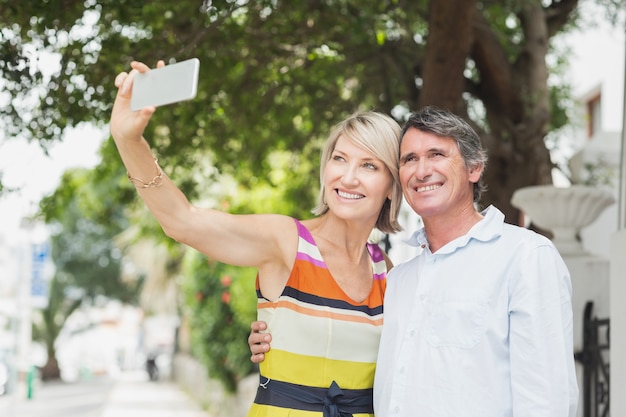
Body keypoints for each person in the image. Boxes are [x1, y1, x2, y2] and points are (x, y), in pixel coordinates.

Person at [110, 59, 404, 417]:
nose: (349, 177)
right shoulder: (287, 241)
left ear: (392, 186)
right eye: (339, 159)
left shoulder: (386, 271)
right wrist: (129, 139)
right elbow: (183, 222)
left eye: (369, 166)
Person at [250, 106, 579, 417]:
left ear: (474, 167)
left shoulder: (524, 257)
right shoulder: (399, 278)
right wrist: (280, 332)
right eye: (409, 159)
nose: (422, 171)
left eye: (437, 155)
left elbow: (546, 401)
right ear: (399, 179)